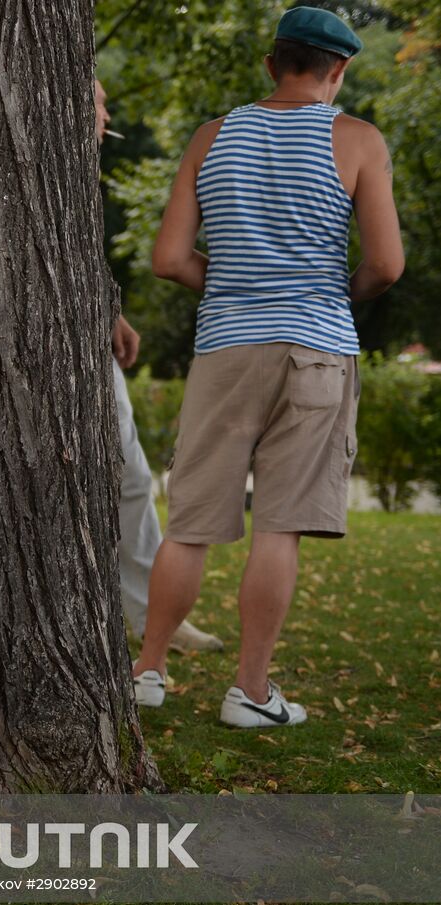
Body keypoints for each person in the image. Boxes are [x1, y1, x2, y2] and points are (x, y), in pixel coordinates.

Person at [133, 7, 403, 726]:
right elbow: (384, 264)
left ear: (270, 64)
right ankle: (250, 694)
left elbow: (166, 260)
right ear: (337, 69)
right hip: (314, 346)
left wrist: (231, 286)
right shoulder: (356, 140)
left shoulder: (211, 137)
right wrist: (333, 297)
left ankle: (147, 671)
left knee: (187, 523)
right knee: (277, 526)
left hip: (225, 345)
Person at [94, 80, 223, 656]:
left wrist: (110, 310)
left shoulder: (71, 178)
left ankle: (150, 615)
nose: (107, 113)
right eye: (97, 101)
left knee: (132, 477)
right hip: (48, 350)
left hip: (85, 341)